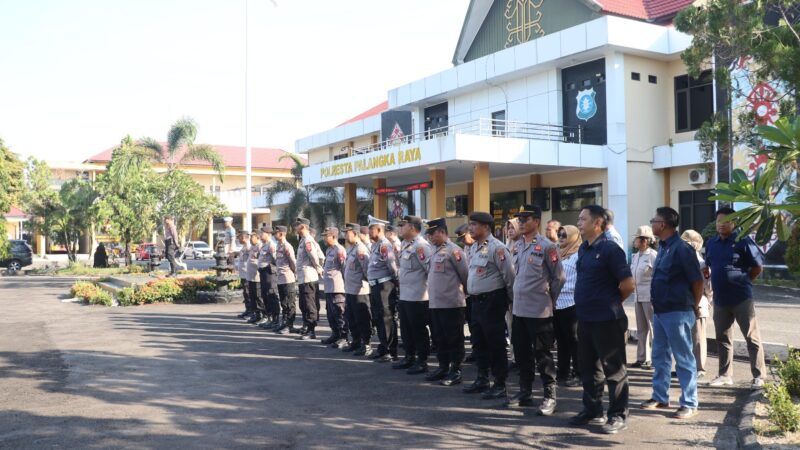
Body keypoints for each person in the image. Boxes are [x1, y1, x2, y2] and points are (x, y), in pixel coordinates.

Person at [569, 205, 634, 434]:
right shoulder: (583, 249)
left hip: (607, 319)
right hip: (585, 318)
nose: (578, 222)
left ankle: (617, 415)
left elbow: (628, 284)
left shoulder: (610, 249)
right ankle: (592, 409)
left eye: (583, 219)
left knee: (614, 370)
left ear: (597, 223)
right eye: (578, 219)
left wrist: (611, 302)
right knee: (588, 368)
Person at [640, 207, 703, 420]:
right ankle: (660, 396)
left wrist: (693, 306)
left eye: (654, 220)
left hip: (678, 311)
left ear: (663, 224)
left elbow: (697, 281)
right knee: (660, 356)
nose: (652, 223)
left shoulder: (682, 249)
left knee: (683, 358)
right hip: (661, 311)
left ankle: (689, 403)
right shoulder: (664, 247)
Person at [506, 205, 564, 416]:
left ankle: (550, 396)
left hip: (539, 311)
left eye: (526, 219)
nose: (521, 222)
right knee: (522, 354)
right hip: (519, 310)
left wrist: (549, 300)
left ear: (536, 221)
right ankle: (525, 392)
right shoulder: (517, 245)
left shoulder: (547, 246)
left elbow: (559, 278)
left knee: (543, 355)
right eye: (519, 219)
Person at [705, 207, 767, 390]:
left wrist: (744, 281)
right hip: (720, 300)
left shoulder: (743, 241)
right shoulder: (711, 243)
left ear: (734, 223)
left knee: (751, 337)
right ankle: (725, 375)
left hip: (741, 298)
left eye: (726, 221)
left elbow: (757, 268)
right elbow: (709, 266)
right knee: (722, 339)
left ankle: (759, 376)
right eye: (719, 221)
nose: (721, 224)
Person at [463, 211, 515, 400]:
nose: (470, 228)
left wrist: (510, 301)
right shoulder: (474, 247)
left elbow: (509, 277)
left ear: (486, 227)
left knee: (495, 343)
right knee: (478, 342)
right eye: (470, 224)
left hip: (492, 300)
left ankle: (500, 383)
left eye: (474, 225)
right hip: (476, 301)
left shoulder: (497, 248)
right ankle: (482, 378)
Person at [425, 218, 469, 386]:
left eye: (432, 233)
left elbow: (465, 275)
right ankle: (443, 367)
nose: (430, 237)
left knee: (454, 339)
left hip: (451, 304)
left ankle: (456, 370)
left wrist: (464, 295)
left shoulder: (454, 251)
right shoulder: (433, 250)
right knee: (439, 338)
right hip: (435, 303)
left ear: (442, 232)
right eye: (428, 234)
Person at [394, 215, 434, 374]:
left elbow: (430, 270)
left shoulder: (421, 246)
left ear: (412, 227)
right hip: (405, 295)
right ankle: (409, 356)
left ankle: (422, 360)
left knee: (418, 330)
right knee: (406, 329)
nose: (400, 228)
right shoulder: (405, 244)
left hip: (418, 296)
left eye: (402, 225)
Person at [366, 216, 399, 362]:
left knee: (387, 318)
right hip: (376, 286)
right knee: (379, 318)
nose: (368, 232)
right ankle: (383, 347)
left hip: (384, 286)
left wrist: (395, 282)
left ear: (379, 230)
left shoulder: (385, 245)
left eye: (371, 229)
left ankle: (390, 351)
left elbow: (392, 267)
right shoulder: (375, 245)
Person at [681, 229, 713, 379]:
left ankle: (699, 367)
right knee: (685, 337)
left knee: (698, 337)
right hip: (683, 303)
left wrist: (706, 301)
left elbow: (708, 286)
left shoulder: (701, 263)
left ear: (695, 245)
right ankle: (687, 366)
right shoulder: (681, 261)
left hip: (699, 302)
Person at [554, 225, 581, 387]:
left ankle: (579, 373)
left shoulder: (579, 255)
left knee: (574, 341)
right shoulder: (557, 253)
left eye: (565, 235)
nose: (561, 237)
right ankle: (562, 372)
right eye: (559, 234)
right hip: (557, 302)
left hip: (572, 303)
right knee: (561, 340)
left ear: (573, 237)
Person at [342, 223, 373, 356]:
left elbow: (367, 270)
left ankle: (366, 344)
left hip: (360, 291)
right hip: (350, 290)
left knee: (362, 319)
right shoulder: (352, 249)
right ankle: (356, 341)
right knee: (352, 318)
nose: (345, 235)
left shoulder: (361, 249)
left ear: (355, 233)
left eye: (347, 233)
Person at [629, 225, 657, 370]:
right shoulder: (635, 256)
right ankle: (642, 358)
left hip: (650, 296)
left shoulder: (653, 255)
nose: (634, 241)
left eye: (637, 239)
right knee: (641, 329)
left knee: (653, 328)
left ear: (645, 240)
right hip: (638, 295)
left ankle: (655, 359)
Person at [294, 218, 324, 340]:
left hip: (309, 277)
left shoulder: (308, 241)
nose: (295, 227)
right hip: (303, 277)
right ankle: (306, 326)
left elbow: (317, 257)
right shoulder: (302, 240)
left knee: (310, 304)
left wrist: (318, 268)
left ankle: (311, 330)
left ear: (303, 227)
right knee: (304, 304)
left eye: (297, 225)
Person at [321, 227, 349, 348]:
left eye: (326, 236)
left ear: (333, 237)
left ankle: (344, 337)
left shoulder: (340, 250)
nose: (324, 238)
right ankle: (335, 334)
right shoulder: (329, 250)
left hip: (337, 287)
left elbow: (344, 268)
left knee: (339, 313)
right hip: (329, 287)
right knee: (330, 313)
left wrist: (345, 285)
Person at [455, 223, 477, 363]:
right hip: (468, 292)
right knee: (472, 323)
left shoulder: (480, 247)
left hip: (479, 292)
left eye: (463, 238)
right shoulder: (467, 248)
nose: (462, 241)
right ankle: (476, 349)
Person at [273, 226, 300, 335]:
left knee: (289, 303)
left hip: (287, 278)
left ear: (281, 234)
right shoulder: (278, 246)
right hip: (280, 278)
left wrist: (293, 273)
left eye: (276, 233)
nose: (274, 235)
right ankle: (284, 323)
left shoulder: (287, 246)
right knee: (284, 303)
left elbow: (292, 262)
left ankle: (290, 325)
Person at [505, 218, 522, 369]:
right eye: (508, 227)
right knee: (511, 328)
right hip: (509, 295)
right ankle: (515, 358)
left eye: (513, 227)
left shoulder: (525, 245)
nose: (510, 230)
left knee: (522, 329)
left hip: (522, 295)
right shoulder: (506, 246)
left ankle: (525, 358)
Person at [257, 225, 280, 330]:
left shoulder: (271, 245)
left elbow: (276, 260)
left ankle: (275, 320)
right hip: (263, 272)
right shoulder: (264, 245)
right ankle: (270, 318)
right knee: (265, 295)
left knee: (271, 295)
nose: (260, 235)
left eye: (262, 233)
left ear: (268, 234)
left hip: (269, 273)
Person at [245, 231, 263, 324]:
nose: (250, 239)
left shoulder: (260, 246)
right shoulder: (252, 247)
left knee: (258, 297)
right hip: (250, 276)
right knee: (252, 296)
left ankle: (262, 315)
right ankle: (256, 314)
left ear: (257, 238)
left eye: (252, 237)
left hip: (257, 277)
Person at [235, 232, 253, 319]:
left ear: (243, 238)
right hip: (243, 274)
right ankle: (247, 310)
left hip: (247, 274)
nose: (238, 239)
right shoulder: (244, 247)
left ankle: (251, 312)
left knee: (248, 293)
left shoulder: (249, 247)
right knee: (246, 293)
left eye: (239, 237)